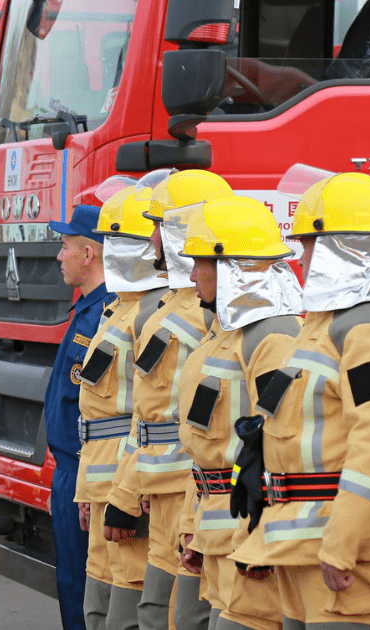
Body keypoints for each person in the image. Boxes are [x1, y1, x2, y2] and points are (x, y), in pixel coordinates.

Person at [230, 171, 370, 629]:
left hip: (345, 560)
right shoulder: (319, 327)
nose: (302, 256)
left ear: (346, 246)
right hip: (303, 551)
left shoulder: (368, 326)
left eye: (312, 244)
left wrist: (342, 544)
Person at [106, 169, 232, 630]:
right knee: (159, 614)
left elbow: (184, 422)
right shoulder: (174, 307)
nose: (153, 238)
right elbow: (146, 416)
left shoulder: (201, 314)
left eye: (160, 225)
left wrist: (128, 489)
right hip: (165, 492)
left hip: (184, 490)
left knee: (174, 616)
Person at [177, 196, 303, 630]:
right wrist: (193, 529)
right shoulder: (227, 334)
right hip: (218, 531)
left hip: (247, 535)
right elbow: (206, 449)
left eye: (199, 264)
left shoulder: (273, 336)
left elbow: (276, 448)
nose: (191, 275)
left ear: (231, 268)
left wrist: (262, 539)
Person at [75, 183, 168, 630]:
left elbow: (147, 415)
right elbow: (96, 413)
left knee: (126, 606)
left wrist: (126, 495)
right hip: (103, 481)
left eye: (117, 240)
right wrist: (87, 492)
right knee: (98, 598)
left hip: (125, 483)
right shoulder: (119, 309)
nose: (107, 250)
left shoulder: (151, 314)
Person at [45, 204, 113, 630]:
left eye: (65, 245)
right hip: (70, 472)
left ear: (89, 254)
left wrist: (87, 482)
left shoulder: (104, 316)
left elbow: (104, 412)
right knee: (71, 584)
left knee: (85, 588)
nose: (59, 255)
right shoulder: (86, 312)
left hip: (82, 473)